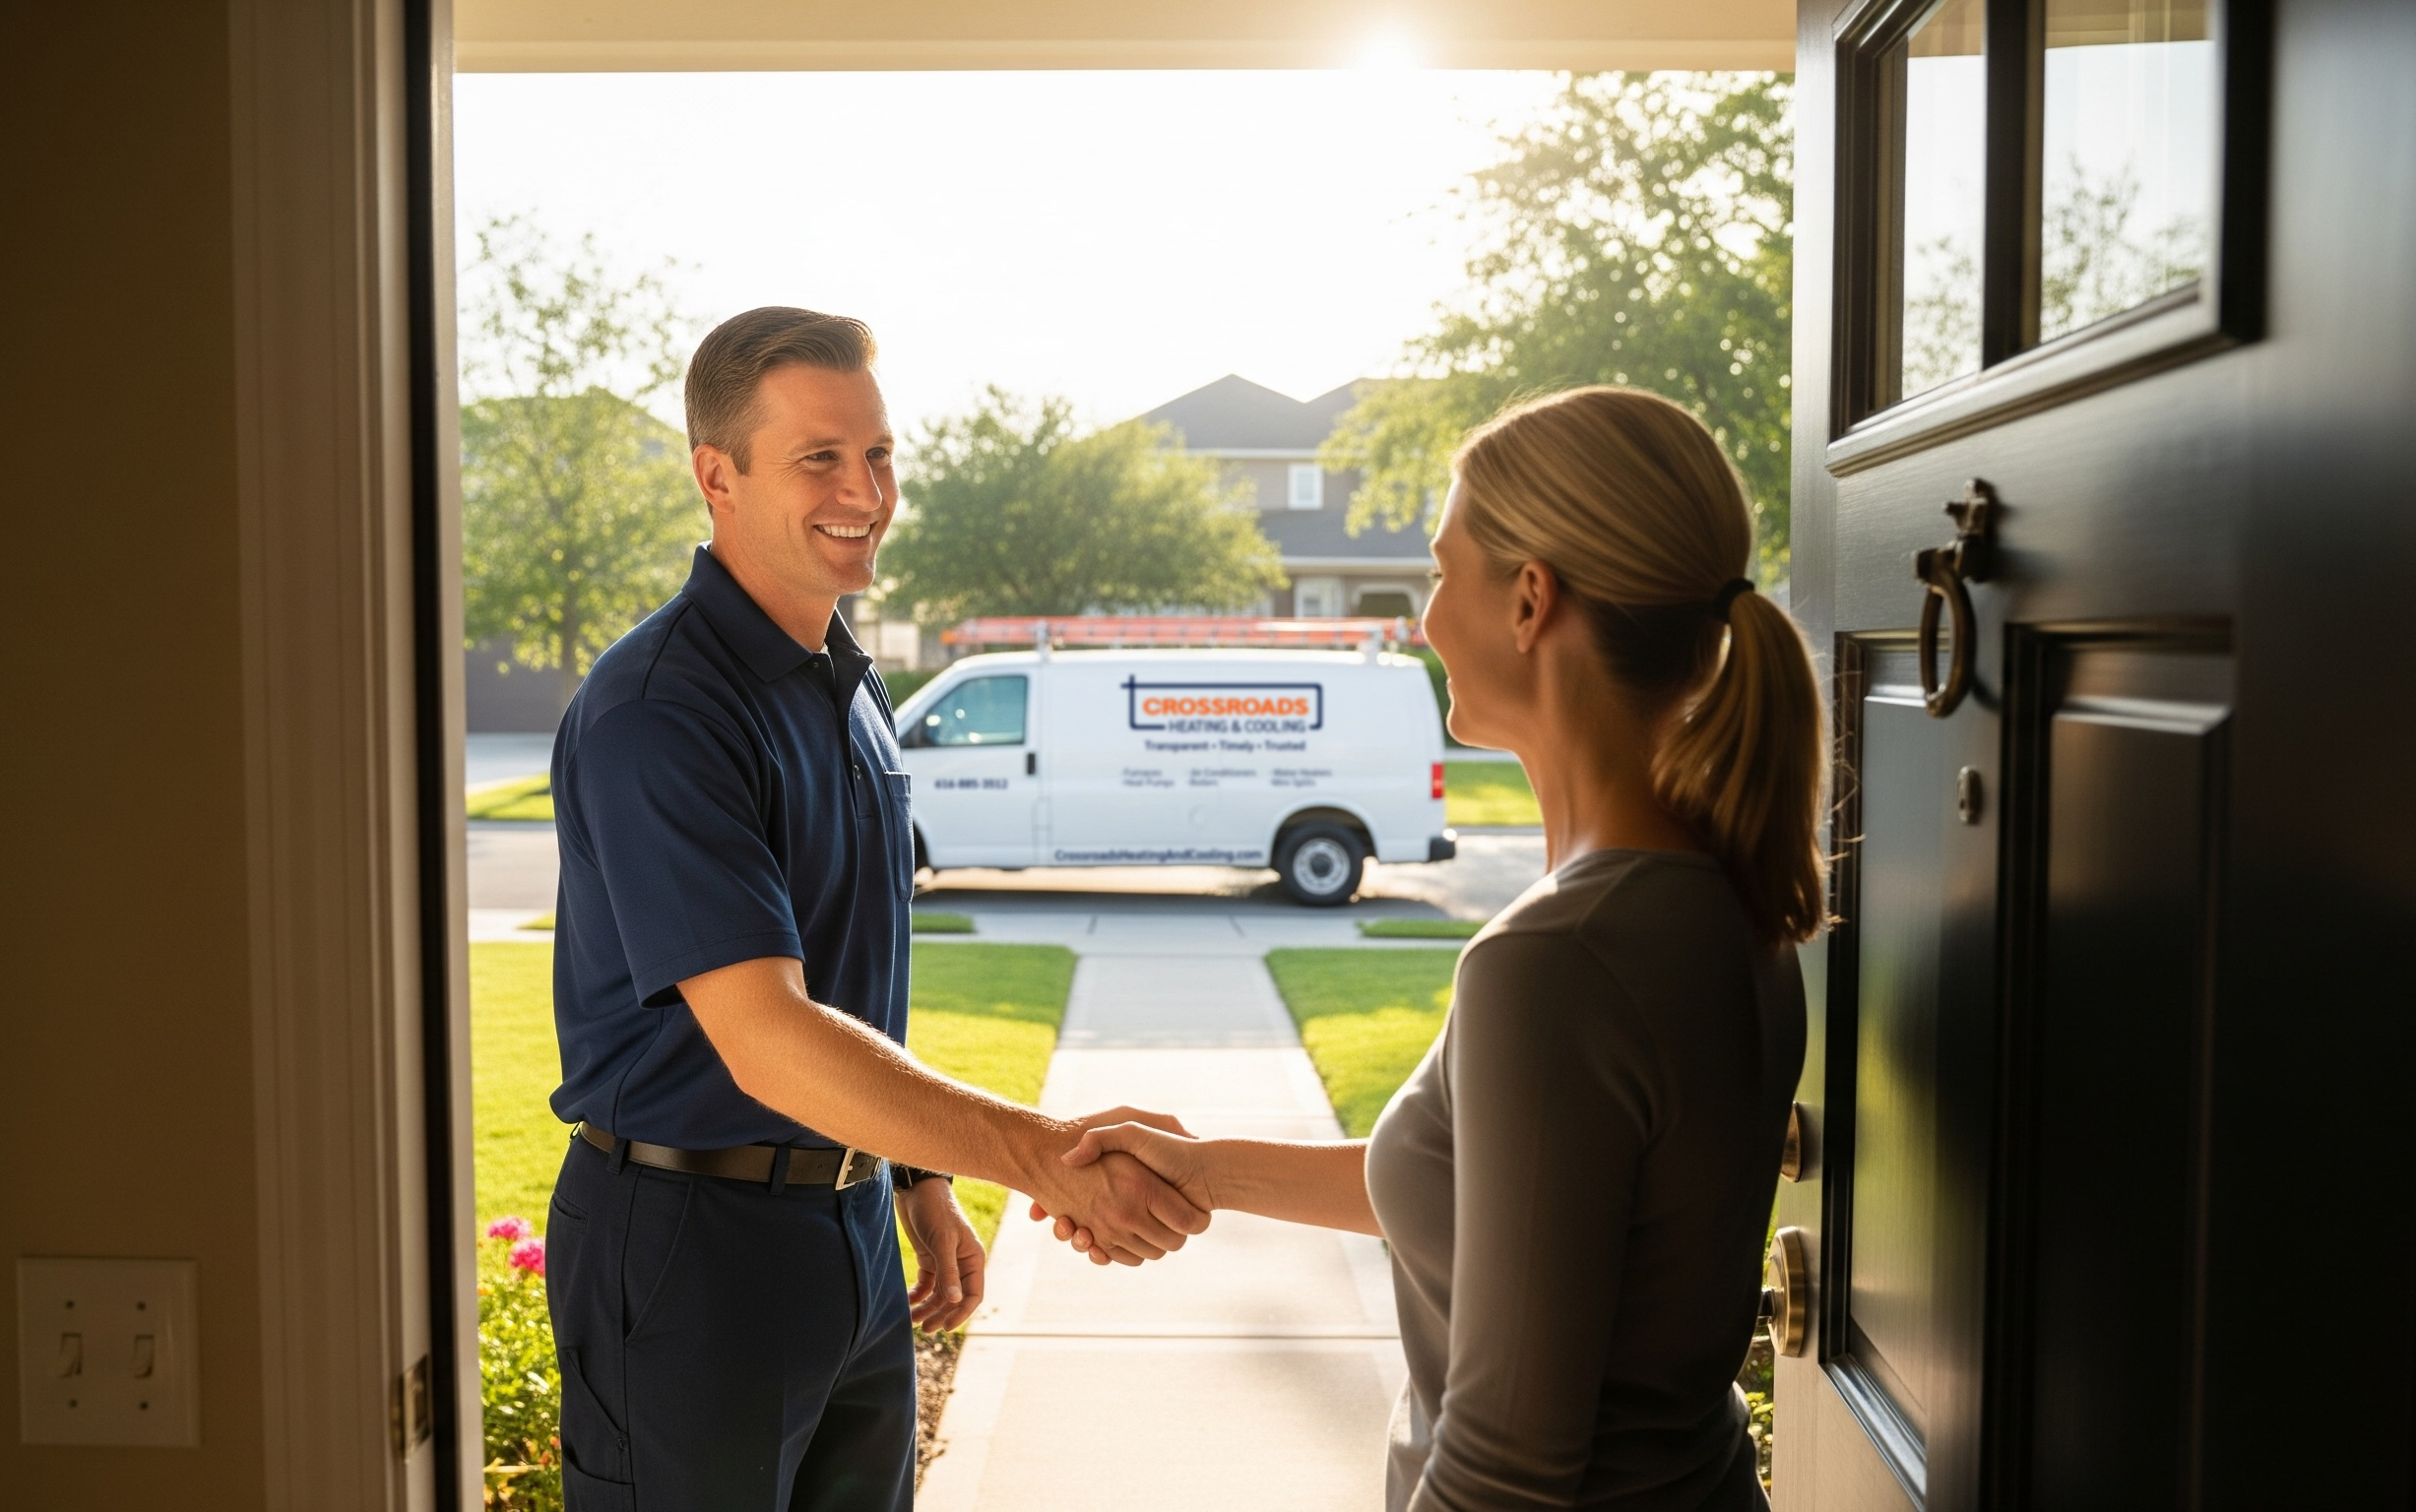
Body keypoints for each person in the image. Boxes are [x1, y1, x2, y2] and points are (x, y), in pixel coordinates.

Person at [1056, 386, 1823, 1510]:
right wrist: (1207, 1169)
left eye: (1438, 573)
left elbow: (1505, 1470)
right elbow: (1515, 1204)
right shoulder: (1722, 905)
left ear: (1529, 601)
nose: (1423, 621)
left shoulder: (1559, 963)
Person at [542, 306, 1207, 1512]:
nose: (866, 491)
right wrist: (1045, 1159)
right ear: (718, 477)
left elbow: (850, 970)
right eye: (820, 459)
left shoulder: (850, 687)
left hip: (848, 1234)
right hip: (691, 1249)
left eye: (879, 453)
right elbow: (767, 1035)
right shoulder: (661, 711)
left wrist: (914, 1178)